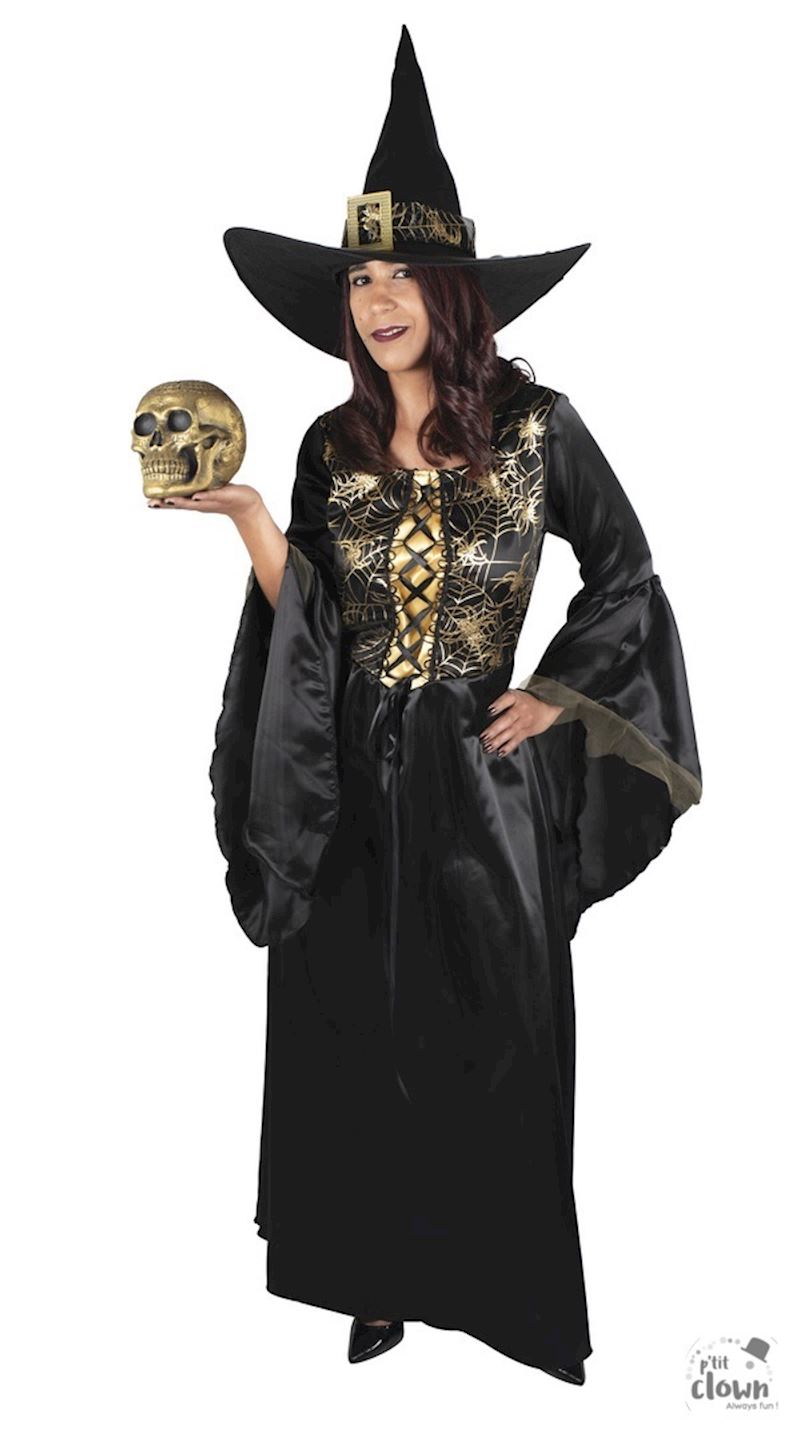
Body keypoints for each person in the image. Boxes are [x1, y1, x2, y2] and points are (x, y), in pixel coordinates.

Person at [149, 26, 702, 1380]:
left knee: (494, 1030)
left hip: (481, 782)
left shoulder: (537, 427)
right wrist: (250, 520)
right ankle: (376, 1278)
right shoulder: (328, 445)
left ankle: (503, 1295)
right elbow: (314, 621)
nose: (379, 298)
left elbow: (627, 571)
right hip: (347, 774)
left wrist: (556, 696)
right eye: (361, 278)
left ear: (452, 292)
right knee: (349, 1023)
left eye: (402, 274)